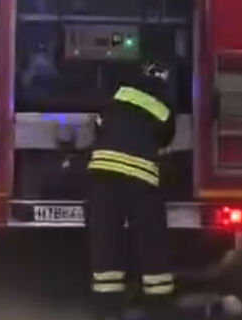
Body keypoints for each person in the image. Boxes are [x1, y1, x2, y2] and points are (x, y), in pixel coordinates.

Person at [87, 60, 176, 320]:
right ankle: (158, 304)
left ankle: (107, 305)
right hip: (140, 179)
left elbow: (99, 125)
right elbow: (165, 139)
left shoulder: (118, 96)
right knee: (151, 240)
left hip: (102, 174)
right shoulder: (163, 109)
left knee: (106, 239)